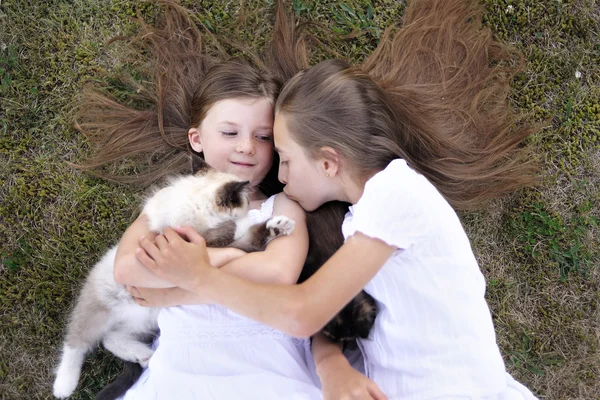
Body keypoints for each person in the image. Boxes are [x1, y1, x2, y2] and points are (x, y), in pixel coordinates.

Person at [133, 0, 541, 398]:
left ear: (328, 163)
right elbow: (333, 315)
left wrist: (197, 277)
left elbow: (302, 312)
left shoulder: (398, 194)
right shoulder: (357, 223)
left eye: (287, 159)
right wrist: (331, 364)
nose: (280, 175)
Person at [74, 2, 378, 399]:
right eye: (230, 133)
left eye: (264, 137)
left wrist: (187, 272)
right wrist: (228, 259)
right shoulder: (175, 201)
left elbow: (277, 274)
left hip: (268, 364)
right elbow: (129, 271)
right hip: (187, 365)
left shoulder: (282, 206)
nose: (248, 148)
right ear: (197, 139)